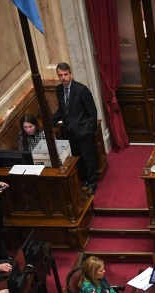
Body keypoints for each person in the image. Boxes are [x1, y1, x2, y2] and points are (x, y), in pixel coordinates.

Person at [51, 62, 98, 194]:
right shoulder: (59, 89)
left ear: (70, 74)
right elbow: (62, 109)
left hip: (83, 131)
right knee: (77, 158)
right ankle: (83, 181)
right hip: (69, 131)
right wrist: (51, 121)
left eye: (66, 74)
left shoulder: (81, 90)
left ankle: (92, 184)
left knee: (88, 158)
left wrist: (90, 130)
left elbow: (92, 112)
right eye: (60, 75)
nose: (63, 78)